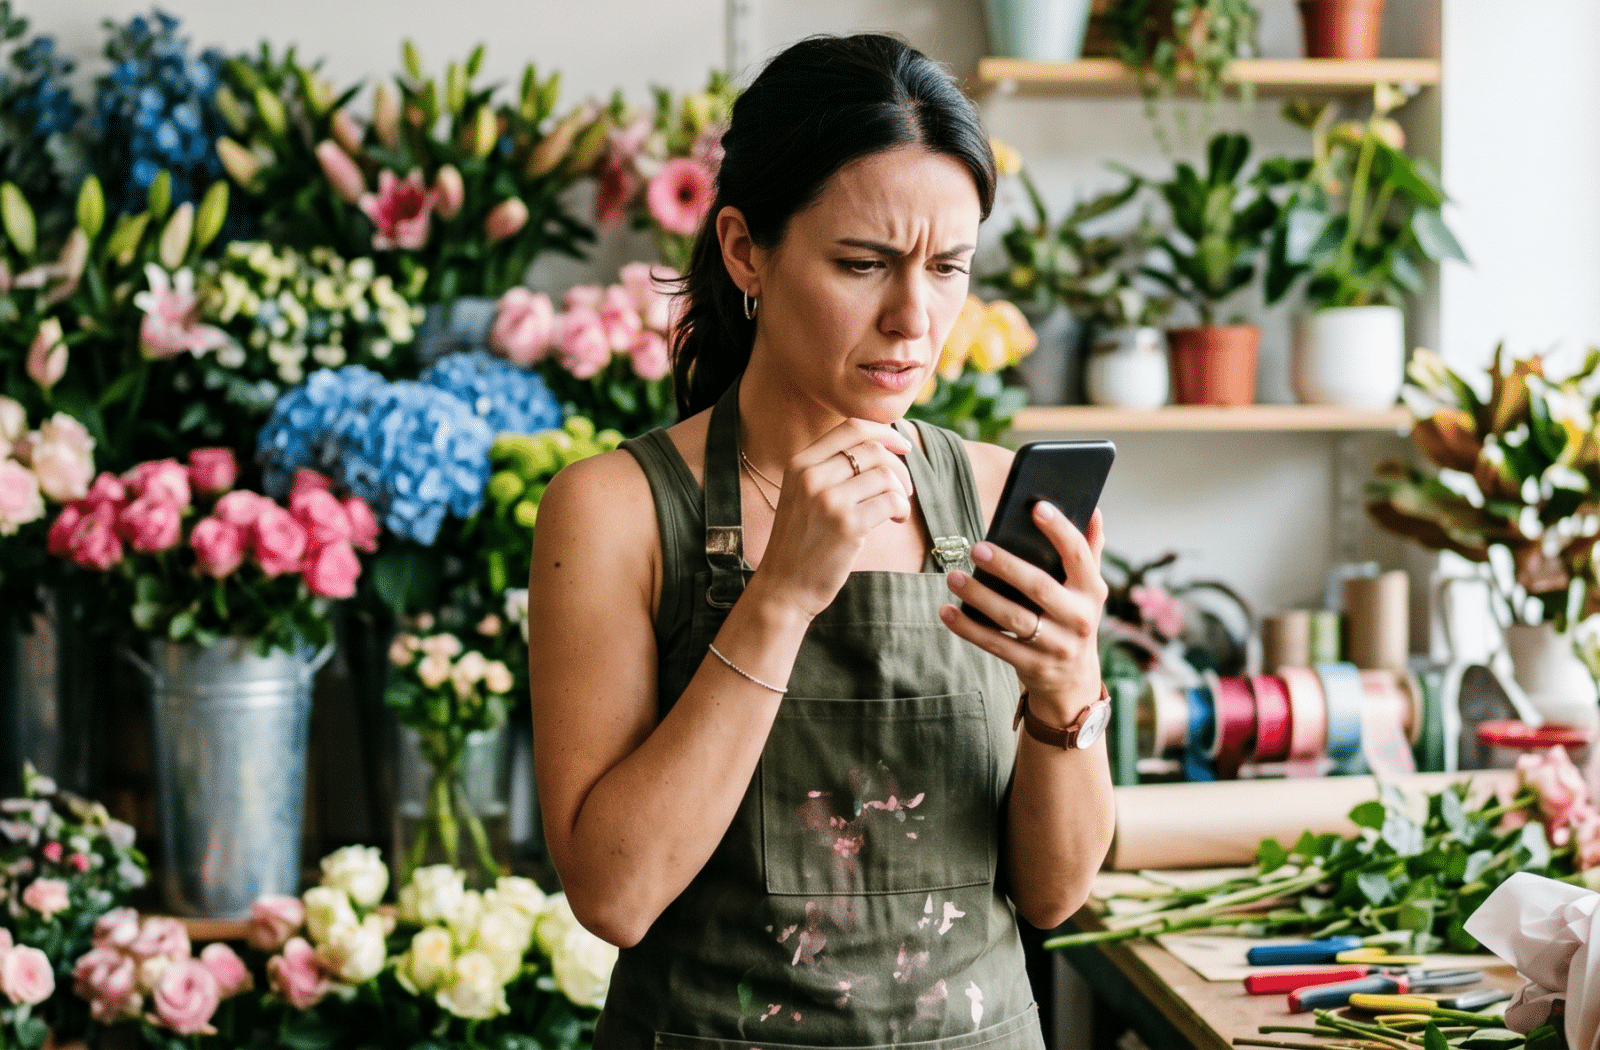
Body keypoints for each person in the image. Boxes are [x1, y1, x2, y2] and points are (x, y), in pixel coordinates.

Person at [528, 33, 1115, 1049]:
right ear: (744, 249)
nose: (913, 318)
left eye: (948, 267)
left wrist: (1068, 695)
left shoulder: (991, 496)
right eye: (863, 264)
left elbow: (1055, 897)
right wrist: (781, 596)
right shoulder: (614, 511)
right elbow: (615, 898)